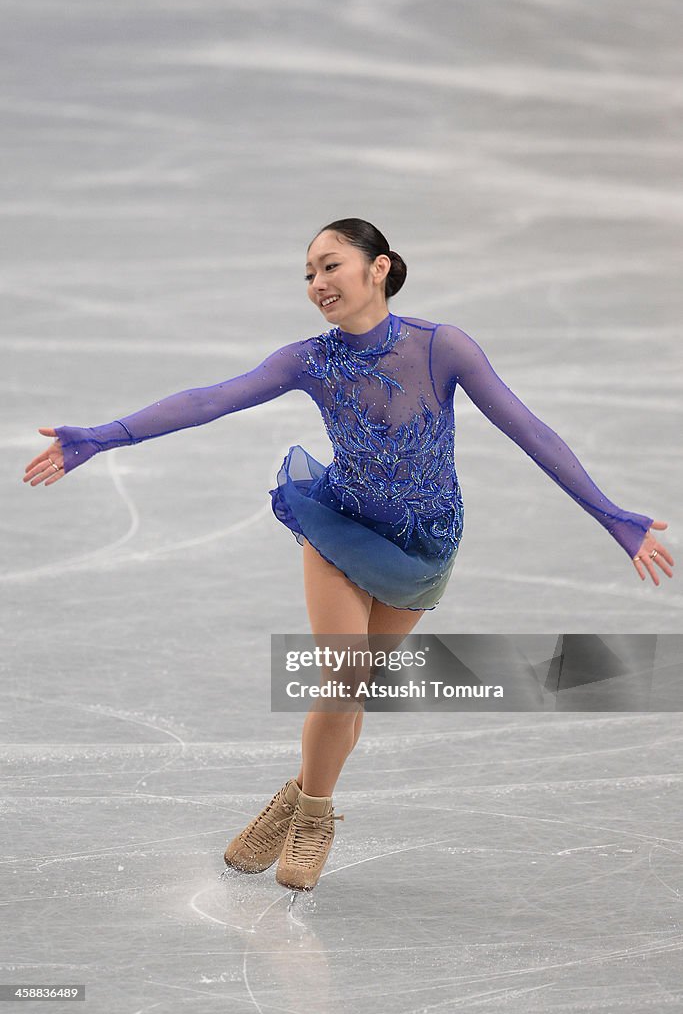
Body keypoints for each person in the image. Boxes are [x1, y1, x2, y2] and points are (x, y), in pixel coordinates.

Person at [22, 218, 674, 892]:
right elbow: (210, 398)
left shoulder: (441, 347)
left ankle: (295, 794)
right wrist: (103, 436)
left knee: (350, 692)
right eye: (308, 273)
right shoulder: (309, 359)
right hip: (337, 525)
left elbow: (527, 428)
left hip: (423, 546)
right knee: (345, 678)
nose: (316, 283)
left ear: (379, 267)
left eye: (329, 265)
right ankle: (314, 818)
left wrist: (608, 515)